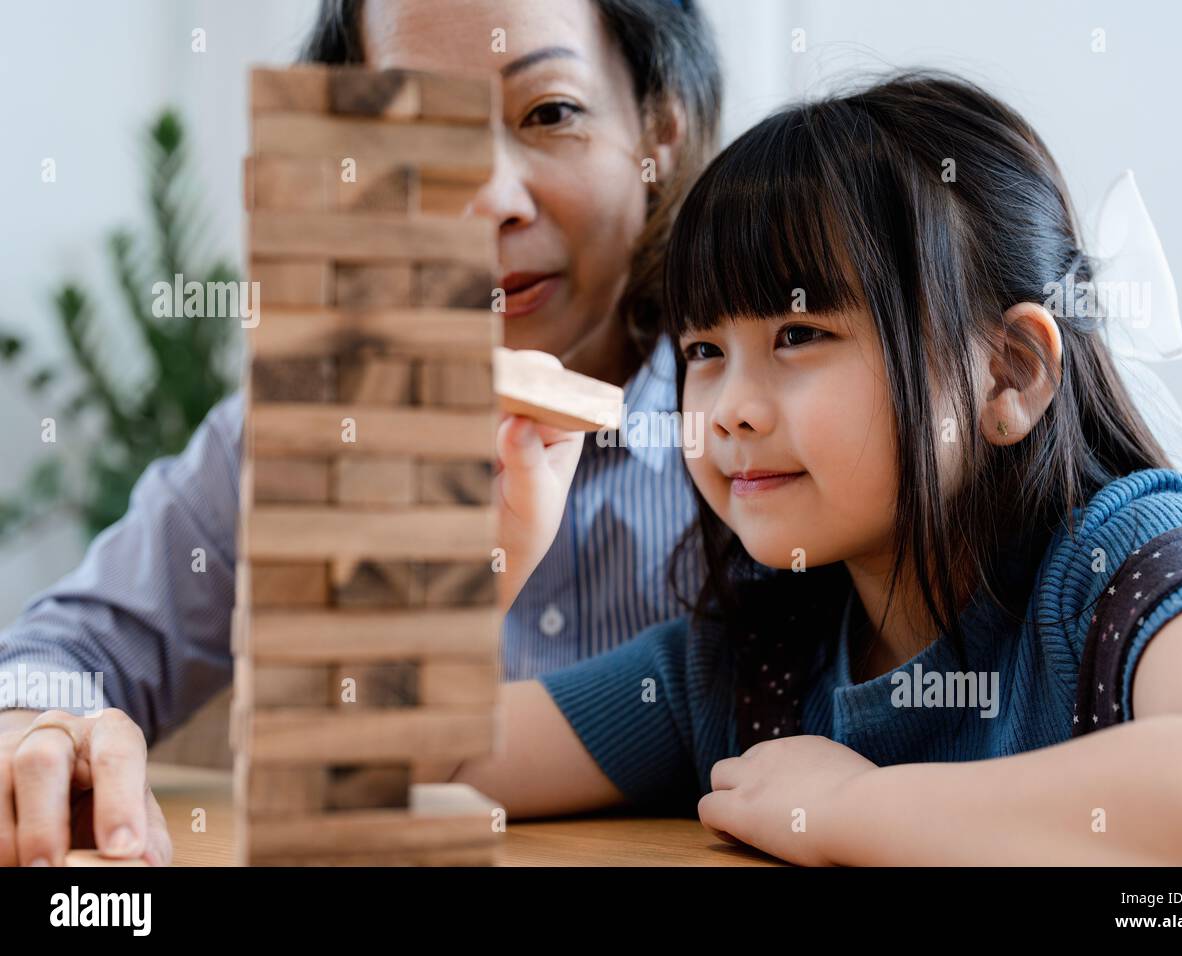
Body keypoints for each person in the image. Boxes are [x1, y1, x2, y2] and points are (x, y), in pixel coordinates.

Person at [436, 72, 1182, 865]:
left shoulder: (1125, 559)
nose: (729, 406)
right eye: (703, 348)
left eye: (800, 335)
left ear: (1009, 373)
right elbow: (367, 759)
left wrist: (852, 806)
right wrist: (496, 551)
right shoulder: (753, 659)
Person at [0, 0, 720, 867]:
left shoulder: (771, 436)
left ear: (661, 128)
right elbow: (64, 649)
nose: (488, 199)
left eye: (549, 113)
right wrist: (35, 732)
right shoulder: (289, 429)